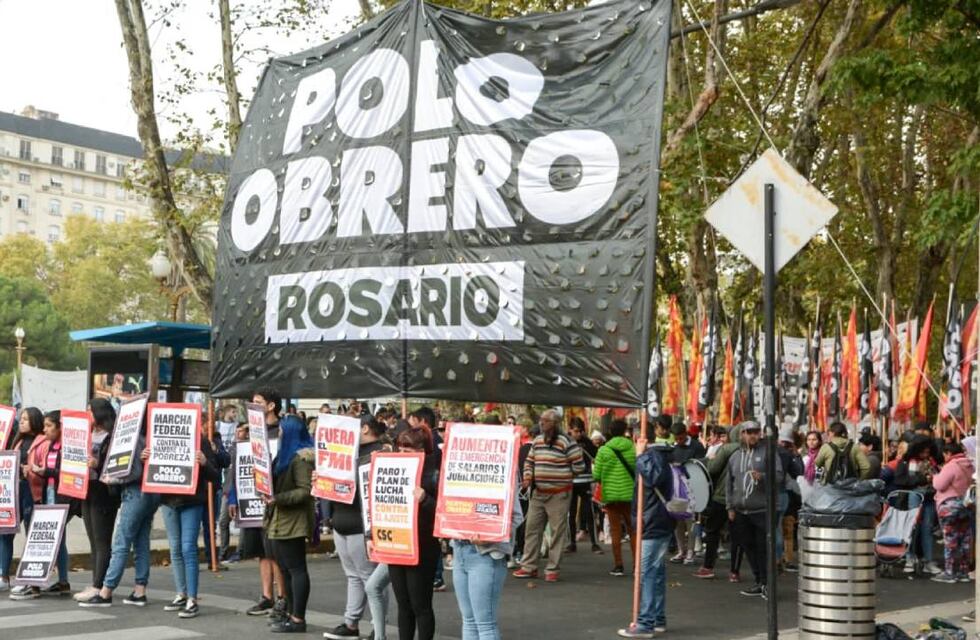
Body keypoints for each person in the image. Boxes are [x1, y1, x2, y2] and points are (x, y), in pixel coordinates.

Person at [81, 408, 161, 608]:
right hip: (151, 493)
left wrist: (113, 478)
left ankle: (107, 591)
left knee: (121, 542)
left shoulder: (132, 440)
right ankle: (139, 590)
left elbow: (132, 472)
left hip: (134, 493)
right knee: (141, 542)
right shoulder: (148, 439)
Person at [322, 417, 389, 640]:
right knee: (354, 576)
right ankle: (351, 623)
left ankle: (376, 628)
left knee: (370, 579)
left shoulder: (379, 454)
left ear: (365, 429)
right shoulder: (351, 453)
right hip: (343, 521)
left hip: (362, 526)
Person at [148, 424, 220, 618]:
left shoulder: (201, 442)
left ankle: (192, 598)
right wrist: (146, 458)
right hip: (169, 500)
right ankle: (181, 594)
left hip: (192, 501)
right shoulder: (158, 440)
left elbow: (216, 476)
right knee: (175, 548)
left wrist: (204, 462)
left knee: (187, 548)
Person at [228, 390, 287, 620]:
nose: (253, 406)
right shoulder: (249, 432)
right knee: (261, 552)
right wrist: (233, 497)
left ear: (271, 406)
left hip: (275, 500)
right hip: (251, 499)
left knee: (276, 551)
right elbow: (240, 465)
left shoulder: (282, 431)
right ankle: (267, 596)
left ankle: (283, 597)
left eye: (258, 403)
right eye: (252, 403)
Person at [513, 409, 585, 582]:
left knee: (557, 532)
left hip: (559, 494)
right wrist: (528, 477)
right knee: (532, 529)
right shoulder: (537, 441)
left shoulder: (567, 442)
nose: (542, 423)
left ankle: (552, 568)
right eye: (541, 420)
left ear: (555, 423)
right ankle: (529, 566)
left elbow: (579, 465)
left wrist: (564, 477)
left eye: (545, 421)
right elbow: (530, 461)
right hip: (538, 493)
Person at [264, 414, 315, 633]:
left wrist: (279, 498)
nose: (280, 433)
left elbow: (305, 491)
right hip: (278, 519)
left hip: (293, 521)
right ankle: (290, 614)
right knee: (284, 570)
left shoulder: (301, 458)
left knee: (296, 569)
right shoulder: (284, 456)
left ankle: (298, 618)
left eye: (283, 429)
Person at [388, 426, 441, 640]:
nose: (402, 456)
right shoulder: (394, 470)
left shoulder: (434, 475)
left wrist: (425, 499)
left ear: (422, 452)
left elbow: (445, 513)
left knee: (421, 605)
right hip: (397, 544)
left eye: (407, 452)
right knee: (403, 605)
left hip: (423, 546)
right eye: (399, 451)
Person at [451, 485, 524, 640]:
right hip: (459, 548)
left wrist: (490, 536)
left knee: (484, 624)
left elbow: (516, 516)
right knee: (470, 621)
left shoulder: (503, 469)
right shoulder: (455, 469)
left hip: (486, 554)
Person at [617, 439, 673, 638]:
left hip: (653, 523)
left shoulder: (652, 457)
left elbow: (653, 478)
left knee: (647, 572)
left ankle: (645, 622)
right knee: (655, 573)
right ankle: (657, 618)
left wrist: (640, 455)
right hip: (658, 521)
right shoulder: (662, 457)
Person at [726, 420, 784, 598]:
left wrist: (764, 476)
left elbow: (779, 476)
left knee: (763, 548)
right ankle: (759, 581)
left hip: (763, 510)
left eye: (755, 432)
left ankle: (767, 584)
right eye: (748, 432)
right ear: (741, 434)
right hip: (741, 511)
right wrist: (730, 506)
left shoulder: (768, 452)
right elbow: (729, 483)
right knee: (748, 547)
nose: (752, 435)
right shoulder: (735, 456)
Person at [74, 399, 122, 603]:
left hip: (104, 492)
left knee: (102, 541)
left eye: (89, 411)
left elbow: (118, 464)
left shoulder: (113, 437)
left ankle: (99, 585)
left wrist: (98, 463)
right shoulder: (87, 433)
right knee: (93, 540)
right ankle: (96, 581)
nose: (87, 415)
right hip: (87, 489)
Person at [1, 407, 42, 594]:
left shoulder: (42, 441)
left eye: (26, 419)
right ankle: (3, 575)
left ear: (34, 420)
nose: (22, 422)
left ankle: (30, 578)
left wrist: (32, 470)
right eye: (21, 418)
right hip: (14, 490)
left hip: (32, 491)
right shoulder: (17, 441)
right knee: (5, 533)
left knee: (31, 534)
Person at [694, 423, 743, 581]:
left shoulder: (727, 449)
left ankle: (708, 567)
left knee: (712, 531)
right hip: (744, 498)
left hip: (722, 496)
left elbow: (713, 469)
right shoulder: (756, 450)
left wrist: (709, 460)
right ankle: (734, 571)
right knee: (738, 536)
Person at [592, 419, 636, 577]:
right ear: (625, 430)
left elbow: (596, 475)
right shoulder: (632, 447)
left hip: (610, 496)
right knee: (633, 530)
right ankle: (637, 565)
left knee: (615, 531)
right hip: (629, 495)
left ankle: (618, 565)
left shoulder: (603, 450)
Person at [894, 435, 941, 575]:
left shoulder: (930, 461)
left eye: (927, 452)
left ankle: (928, 560)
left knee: (927, 529)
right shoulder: (906, 462)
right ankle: (910, 557)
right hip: (916, 495)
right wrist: (922, 479)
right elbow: (902, 480)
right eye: (923, 452)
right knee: (912, 528)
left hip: (928, 496)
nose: (925, 454)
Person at [931, 441, 974, 583]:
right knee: (964, 539)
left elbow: (939, 485)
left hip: (949, 506)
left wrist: (934, 476)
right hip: (965, 506)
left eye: (944, 454)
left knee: (950, 539)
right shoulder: (970, 465)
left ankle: (949, 572)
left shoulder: (951, 465)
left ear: (948, 453)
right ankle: (963, 571)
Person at [668, 421, 705, 565]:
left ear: (685, 434)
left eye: (680, 438)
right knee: (678, 521)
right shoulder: (673, 447)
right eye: (676, 439)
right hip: (676, 489)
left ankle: (690, 551)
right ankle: (681, 550)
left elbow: (702, 465)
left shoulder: (696, 446)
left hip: (692, 488)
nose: (678, 441)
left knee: (691, 521)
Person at [566, 416, 600, 554]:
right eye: (575, 431)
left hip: (585, 480)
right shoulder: (566, 442)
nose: (578, 434)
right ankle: (572, 542)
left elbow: (596, 456)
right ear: (570, 430)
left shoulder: (587, 443)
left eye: (581, 431)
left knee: (589, 512)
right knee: (571, 512)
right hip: (571, 481)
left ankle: (594, 543)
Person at [509, 417, 535, 569]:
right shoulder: (520, 446)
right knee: (521, 519)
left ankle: (519, 552)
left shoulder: (527, 447)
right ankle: (519, 552)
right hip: (522, 488)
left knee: (522, 520)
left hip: (523, 488)